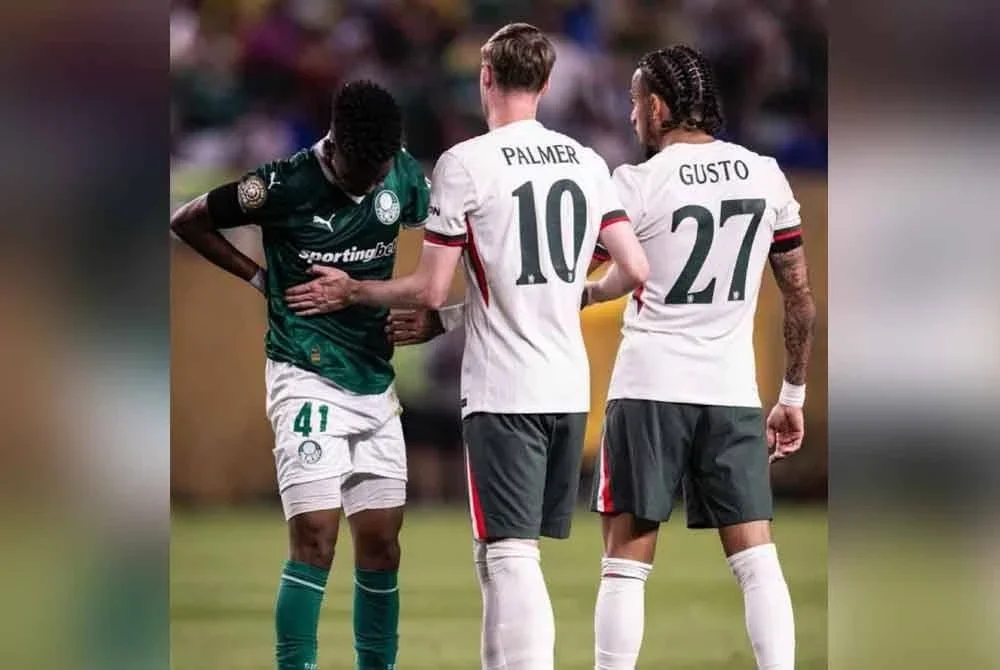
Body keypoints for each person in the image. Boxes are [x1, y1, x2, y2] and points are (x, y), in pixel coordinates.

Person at [282, 23, 649, 670]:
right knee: (494, 552)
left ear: (485, 77)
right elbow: (635, 269)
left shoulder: (465, 162)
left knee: (510, 555)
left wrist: (354, 291)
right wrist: (578, 297)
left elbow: (428, 289)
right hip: (568, 388)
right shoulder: (588, 162)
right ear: (545, 83)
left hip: (503, 389)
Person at [170, 80, 430, 670]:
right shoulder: (282, 184)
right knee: (316, 536)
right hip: (305, 374)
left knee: (383, 546)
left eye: (381, 168)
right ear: (334, 146)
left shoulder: (401, 175)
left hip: (374, 380)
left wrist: (431, 308)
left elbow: (450, 233)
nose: (372, 181)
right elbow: (188, 220)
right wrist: (260, 278)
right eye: (363, 168)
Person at [584, 46, 816, 669]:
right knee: (757, 561)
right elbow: (800, 301)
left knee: (625, 565)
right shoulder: (765, 175)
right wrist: (791, 396)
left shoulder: (633, 184)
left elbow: (581, 276)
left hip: (649, 387)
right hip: (732, 391)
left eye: (636, 103)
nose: (633, 117)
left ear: (657, 106)